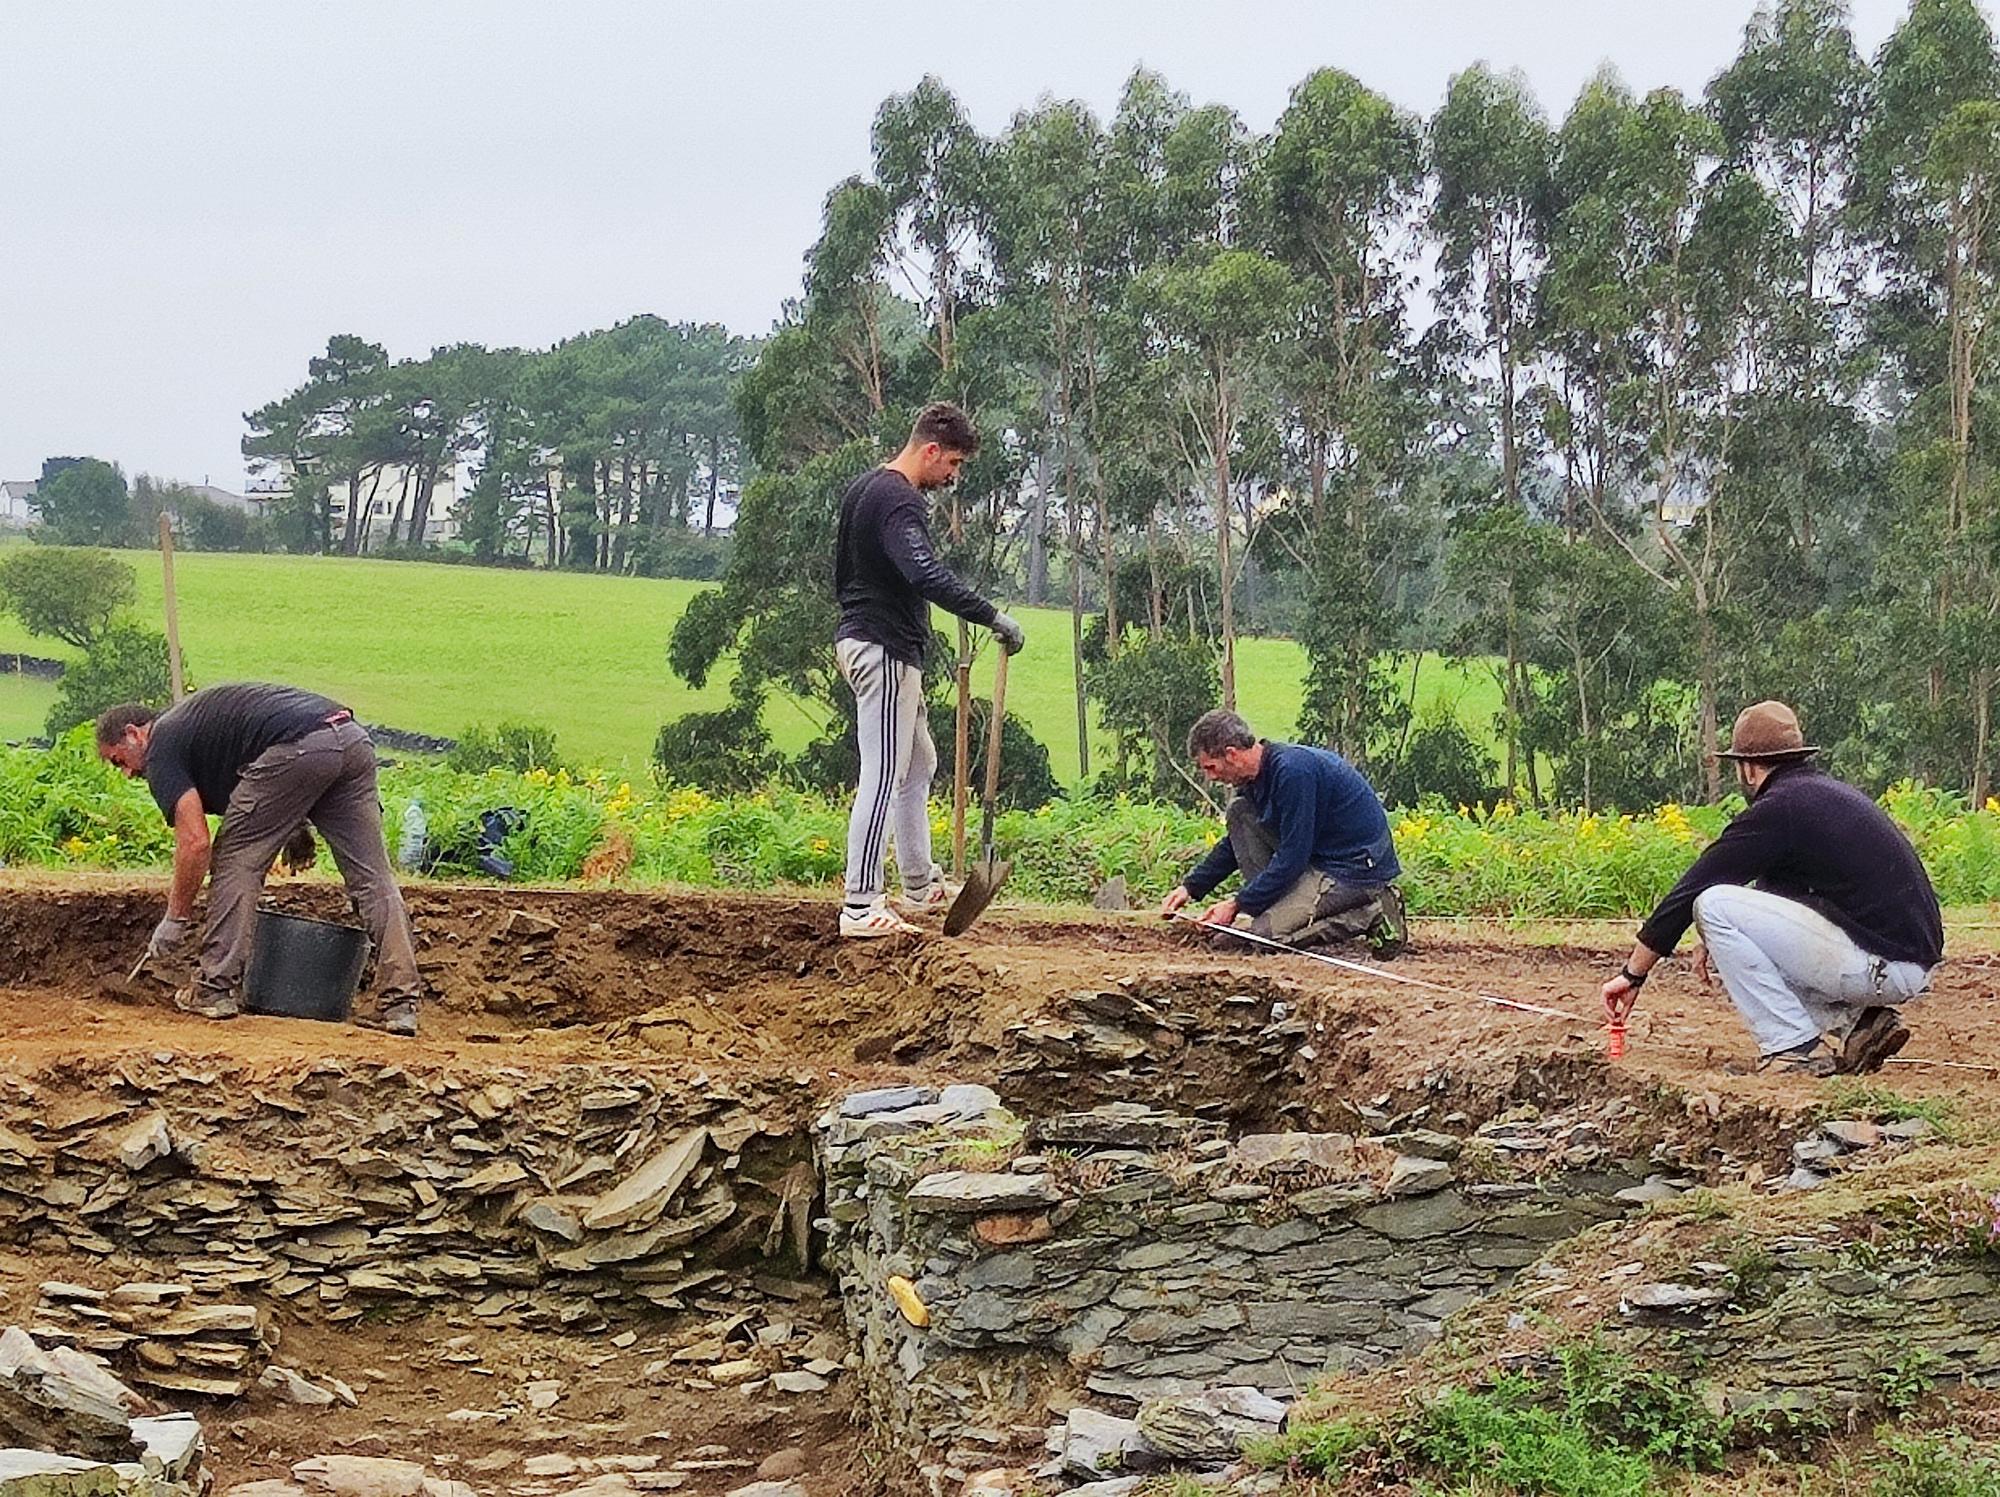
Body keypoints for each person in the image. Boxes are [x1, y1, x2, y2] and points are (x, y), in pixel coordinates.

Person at [1601, 701, 1944, 1076]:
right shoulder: (1819, 796)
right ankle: (1859, 1025)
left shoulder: (1780, 808)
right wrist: (1715, 940)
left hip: (1882, 964)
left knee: (1712, 904)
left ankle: (1790, 1047)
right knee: (1721, 918)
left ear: (1748, 768)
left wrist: (1633, 974)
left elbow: (1695, 887)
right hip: (1903, 963)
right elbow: (1786, 896)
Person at [95, 684, 426, 1034]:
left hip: (301, 745)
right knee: (373, 878)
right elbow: (260, 764)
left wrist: (176, 917)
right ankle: (401, 1004)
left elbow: (195, 842)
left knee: (235, 860)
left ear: (133, 733)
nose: (128, 774)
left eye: (119, 761)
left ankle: (213, 988)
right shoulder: (193, 728)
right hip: (350, 739)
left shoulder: (162, 744)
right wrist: (296, 826)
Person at [834, 402, 1024, 938]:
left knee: (919, 762)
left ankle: (918, 881)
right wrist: (990, 616)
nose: (953, 477)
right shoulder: (899, 501)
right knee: (884, 772)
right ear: (932, 450)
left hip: (864, 639)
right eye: (954, 465)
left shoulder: (863, 490)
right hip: (885, 648)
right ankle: (861, 905)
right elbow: (923, 572)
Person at [1160, 709, 1407, 955]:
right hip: (1317, 858)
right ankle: (1275, 909)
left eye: (1211, 767)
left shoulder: (1293, 773)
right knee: (1239, 811)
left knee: (1265, 938)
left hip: (1353, 870)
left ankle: (1371, 912)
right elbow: (1235, 844)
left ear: (1231, 754)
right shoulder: (1253, 781)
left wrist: (1237, 904)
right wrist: (1190, 888)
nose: (1210, 777)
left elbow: (1293, 856)